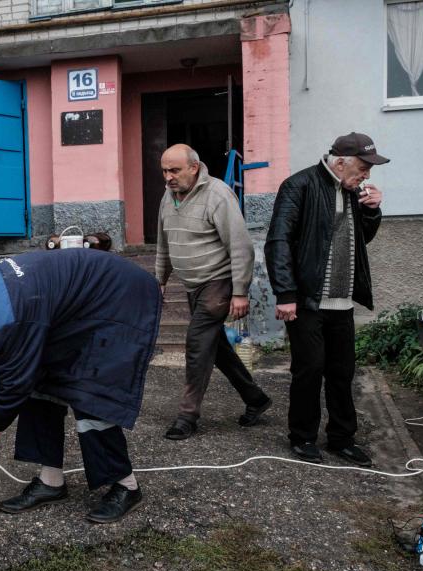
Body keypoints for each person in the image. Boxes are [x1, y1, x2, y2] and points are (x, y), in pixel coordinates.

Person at [0, 249, 161, 524]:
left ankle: (126, 486)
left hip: (117, 299)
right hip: (69, 309)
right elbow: (13, 368)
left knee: (92, 393)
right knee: (39, 387)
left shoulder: (4, 317)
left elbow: (13, 380)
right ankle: (51, 482)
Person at [265, 132, 389, 467]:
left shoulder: (353, 193)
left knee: (342, 372)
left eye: (369, 170)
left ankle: (341, 438)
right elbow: (278, 240)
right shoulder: (299, 185)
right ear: (340, 161)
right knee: (309, 369)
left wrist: (372, 211)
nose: (366, 175)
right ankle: (302, 436)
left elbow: (360, 240)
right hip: (307, 301)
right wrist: (286, 294)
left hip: (342, 301)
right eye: (363, 167)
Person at [154, 143, 271, 441]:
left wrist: (240, 291)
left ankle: (187, 416)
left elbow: (240, 245)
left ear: (194, 167)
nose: (168, 176)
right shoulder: (168, 198)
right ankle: (255, 399)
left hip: (217, 282)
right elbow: (164, 243)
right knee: (215, 348)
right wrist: (160, 279)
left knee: (197, 344)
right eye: (165, 170)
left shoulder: (217, 195)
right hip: (193, 285)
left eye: (175, 170)